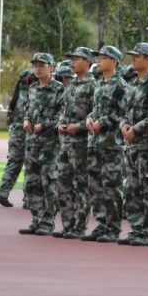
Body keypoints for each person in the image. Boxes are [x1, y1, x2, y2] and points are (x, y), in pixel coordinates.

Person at [119, 43, 148, 247]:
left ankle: (147, 231)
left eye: (138, 56)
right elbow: (124, 111)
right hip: (131, 146)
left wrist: (135, 129)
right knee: (132, 189)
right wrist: (123, 125)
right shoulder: (133, 84)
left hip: (147, 146)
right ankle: (136, 229)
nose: (133, 59)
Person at [83, 45, 127, 244]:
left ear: (114, 61)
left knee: (112, 187)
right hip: (95, 142)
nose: (98, 61)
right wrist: (89, 118)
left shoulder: (121, 85)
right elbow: (95, 109)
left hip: (111, 144)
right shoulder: (99, 84)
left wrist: (103, 121)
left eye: (103, 57)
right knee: (95, 187)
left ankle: (113, 227)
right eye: (98, 57)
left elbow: (122, 113)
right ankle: (101, 224)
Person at [20, 54, 65, 236]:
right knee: (32, 183)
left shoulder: (59, 89)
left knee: (49, 183)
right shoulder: (32, 88)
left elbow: (63, 115)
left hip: (50, 144)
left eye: (41, 65)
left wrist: (45, 125)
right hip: (32, 143)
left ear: (51, 67)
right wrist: (25, 120)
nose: (37, 69)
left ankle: (47, 222)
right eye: (35, 65)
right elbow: (27, 109)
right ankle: (36, 219)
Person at [54, 48, 95, 240]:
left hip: (81, 142)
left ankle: (79, 226)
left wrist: (77, 127)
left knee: (81, 185)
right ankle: (68, 224)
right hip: (65, 142)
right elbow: (64, 110)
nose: (72, 62)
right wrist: (61, 124)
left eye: (76, 59)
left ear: (87, 62)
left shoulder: (93, 85)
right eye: (71, 59)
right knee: (63, 183)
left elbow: (95, 113)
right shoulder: (70, 85)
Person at [0, 71, 32, 207]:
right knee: (30, 165)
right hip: (25, 132)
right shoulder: (29, 95)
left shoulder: (17, 95)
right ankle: (28, 198)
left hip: (15, 133)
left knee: (13, 164)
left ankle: (2, 193)